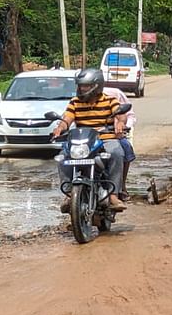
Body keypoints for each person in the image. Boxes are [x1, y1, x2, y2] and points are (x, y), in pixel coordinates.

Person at [51, 68, 128, 213]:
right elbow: (67, 118)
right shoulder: (75, 102)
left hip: (105, 139)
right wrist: (60, 127)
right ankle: (69, 195)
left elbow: (121, 115)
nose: (82, 89)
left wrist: (120, 123)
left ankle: (113, 195)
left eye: (85, 86)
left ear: (96, 86)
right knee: (62, 158)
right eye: (80, 86)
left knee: (117, 153)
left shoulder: (109, 100)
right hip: (81, 141)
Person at [102, 85, 136, 199]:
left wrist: (123, 126)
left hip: (113, 134)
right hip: (90, 136)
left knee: (125, 148)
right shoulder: (78, 100)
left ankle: (121, 185)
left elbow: (129, 116)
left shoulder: (114, 95)